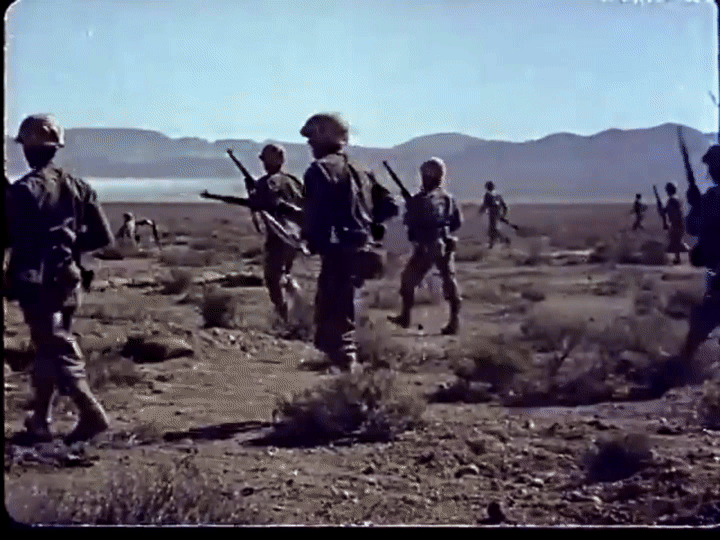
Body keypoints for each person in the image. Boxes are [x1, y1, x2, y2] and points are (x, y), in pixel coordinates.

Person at [5, 114, 115, 444]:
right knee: (47, 348)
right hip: (69, 279)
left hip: (36, 282)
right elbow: (102, 236)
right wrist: (68, 246)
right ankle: (40, 419)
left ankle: (92, 413)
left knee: (56, 345)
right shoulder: (79, 187)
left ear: (27, 149)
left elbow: (8, 236)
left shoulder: (23, 191)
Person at [300, 113, 399, 373]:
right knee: (344, 303)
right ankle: (342, 363)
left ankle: (346, 367)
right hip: (363, 248)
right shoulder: (363, 169)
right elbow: (390, 205)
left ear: (326, 135)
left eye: (313, 136)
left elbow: (316, 215)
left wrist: (314, 240)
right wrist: (370, 225)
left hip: (338, 250)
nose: (310, 143)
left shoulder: (319, 170)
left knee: (334, 307)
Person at [388, 158, 463, 335]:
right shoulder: (448, 198)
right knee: (449, 280)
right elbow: (457, 222)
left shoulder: (422, 199)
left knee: (408, 279)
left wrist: (412, 208)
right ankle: (454, 322)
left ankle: (405, 317)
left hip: (427, 246)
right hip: (445, 243)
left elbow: (412, 222)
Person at [675, 145, 720, 370]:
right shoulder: (710, 198)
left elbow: (694, 228)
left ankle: (679, 370)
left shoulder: (712, 198)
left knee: (703, 321)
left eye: (713, 166)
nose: (710, 171)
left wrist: (696, 205)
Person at [250, 143, 305, 321]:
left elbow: (266, 203)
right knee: (285, 273)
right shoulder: (293, 181)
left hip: (278, 234)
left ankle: (284, 314)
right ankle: (298, 306)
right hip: (295, 236)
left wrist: (254, 194)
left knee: (273, 277)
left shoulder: (267, 183)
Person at [479, 181, 511, 248]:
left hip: (492, 214)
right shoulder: (498, 195)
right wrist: (504, 215)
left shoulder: (487, 195)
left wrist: (480, 211)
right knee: (492, 229)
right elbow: (504, 205)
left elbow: (485, 205)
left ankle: (505, 240)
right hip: (498, 213)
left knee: (493, 229)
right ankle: (491, 244)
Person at [662, 182, 688, 264]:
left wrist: (663, 211)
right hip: (676, 223)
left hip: (677, 223)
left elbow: (672, 211)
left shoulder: (672, 200)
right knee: (675, 242)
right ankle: (678, 258)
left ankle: (681, 256)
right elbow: (666, 211)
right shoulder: (673, 200)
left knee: (676, 242)